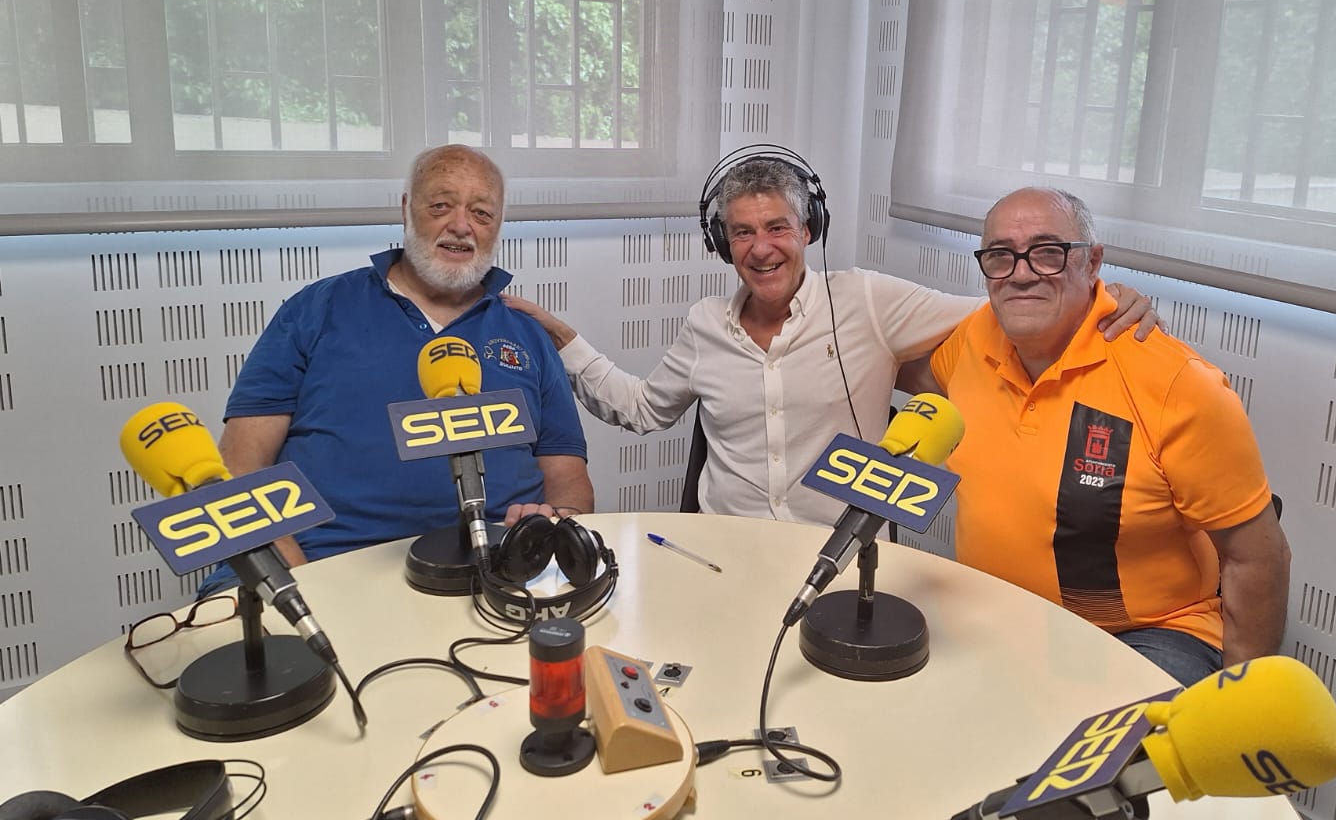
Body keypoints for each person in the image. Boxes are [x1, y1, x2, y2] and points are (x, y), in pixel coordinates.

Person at [505, 149, 1158, 526]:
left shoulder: (869, 301)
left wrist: (1097, 297)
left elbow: (1002, 310)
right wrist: (564, 340)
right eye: (742, 232)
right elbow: (643, 409)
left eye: (778, 227)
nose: (761, 249)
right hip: (726, 558)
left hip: (841, 561)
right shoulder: (706, 324)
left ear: (809, 228)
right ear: (721, 243)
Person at [916, 187, 1291, 685]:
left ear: (1092, 263)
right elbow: (872, 358)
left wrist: (1238, 705)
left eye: (1048, 253)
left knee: (1093, 754)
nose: (1022, 273)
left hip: (1146, 633)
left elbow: (1258, 557)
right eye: (1001, 256)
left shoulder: (1179, 385)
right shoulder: (972, 339)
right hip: (998, 616)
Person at [219, 145, 594, 568]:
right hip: (329, 564)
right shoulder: (317, 310)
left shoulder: (525, 331)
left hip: (495, 565)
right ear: (406, 209)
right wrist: (294, 574)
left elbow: (567, 476)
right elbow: (240, 465)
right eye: (441, 206)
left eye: (482, 213)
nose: (461, 226)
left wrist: (556, 522)